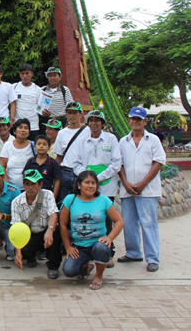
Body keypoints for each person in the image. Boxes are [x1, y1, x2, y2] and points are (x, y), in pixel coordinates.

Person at [118, 106, 166, 272]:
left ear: (145, 121)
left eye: (139, 119)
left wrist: (143, 183)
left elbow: (158, 162)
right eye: (133, 119)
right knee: (129, 223)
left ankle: (152, 258)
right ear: (129, 120)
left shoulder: (153, 140)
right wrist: (124, 182)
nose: (135, 122)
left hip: (147, 190)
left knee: (148, 223)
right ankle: (133, 252)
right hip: (127, 189)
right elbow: (120, 164)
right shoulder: (123, 141)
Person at [71, 110, 122, 267]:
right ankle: (88, 251)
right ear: (87, 123)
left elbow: (116, 163)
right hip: (87, 189)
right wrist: (86, 179)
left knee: (106, 220)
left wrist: (98, 178)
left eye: (97, 120)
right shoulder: (82, 141)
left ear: (102, 123)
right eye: (91, 120)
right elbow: (76, 164)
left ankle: (108, 252)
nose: (94, 123)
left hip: (106, 187)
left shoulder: (111, 139)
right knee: (88, 218)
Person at [60, 170, 124, 290]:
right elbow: (62, 224)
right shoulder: (70, 199)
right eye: (87, 182)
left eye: (93, 183)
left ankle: (98, 276)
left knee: (101, 247)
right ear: (79, 185)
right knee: (69, 271)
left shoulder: (103, 200)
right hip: (79, 246)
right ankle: (86, 266)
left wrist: (109, 238)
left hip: (98, 244)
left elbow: (119, 221)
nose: (90, 186)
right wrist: (68, 247)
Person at [12, 169, 61, 279]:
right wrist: (17, 253)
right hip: (28, 234)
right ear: (23, 184)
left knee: (56, 231)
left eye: (33, 184)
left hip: (45, 230)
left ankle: (53, 266)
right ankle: (31, 255)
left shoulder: (48, 195)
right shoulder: (16, 202)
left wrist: (50, 229)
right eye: (27, 184)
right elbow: (16, 228)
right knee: (23, 251)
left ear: (40, 184)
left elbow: (54, 214)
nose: (30, 188)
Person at [54, 102, 90, 205]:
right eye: (69, 113)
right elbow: (59, 156)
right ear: (66, 115)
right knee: (63, 203)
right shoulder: (61, 133)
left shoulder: (88, 131)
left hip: (82, 172)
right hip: (65, 171)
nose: (72, 116)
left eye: (75, 113)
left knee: (81, 202)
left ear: (81, 114)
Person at [0, 118, 34, 190]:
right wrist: (7, 184)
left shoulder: (34, 146)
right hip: (11, 189)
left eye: (26, 128)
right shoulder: (8, 145)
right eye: (20, 127)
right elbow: (2, 166)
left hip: (30, 188)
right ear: (15, 131)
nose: (23, 130)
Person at [13, 63, 42, 140]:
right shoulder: (13, 87)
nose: (25, 76)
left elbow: (41, 107)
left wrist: (45, 112)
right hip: (18, 125)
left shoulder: (38, 89)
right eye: (22, 74)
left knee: (33, 149)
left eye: (27, 73)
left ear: (32, 74)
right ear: (19, 75)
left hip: (33, 126)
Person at [39, 67, 74, 131]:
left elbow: (70, 106)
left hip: (61, 121)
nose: (52, 78)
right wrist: (42, 113)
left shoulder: (65, 90)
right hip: (46, 121)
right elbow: (38, 106)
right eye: (50, 76)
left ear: (60, 77)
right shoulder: (42, 90)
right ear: (47, 78)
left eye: (54, 75)